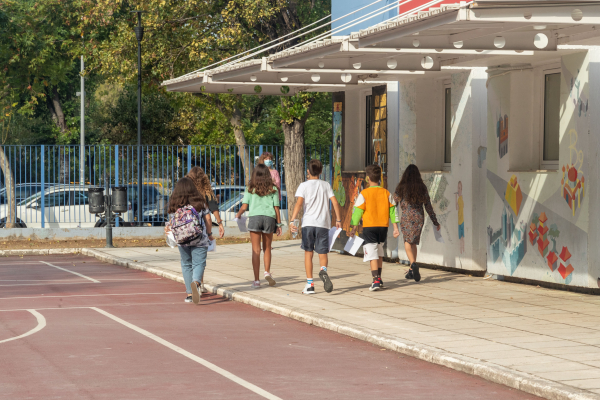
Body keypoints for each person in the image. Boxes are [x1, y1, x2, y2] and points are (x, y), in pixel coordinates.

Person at [290, 159, 342, 295]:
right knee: (322, 252)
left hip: (308, 223)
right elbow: (335, 203)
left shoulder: (303, 185)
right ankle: (323, 270)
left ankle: (310, 285)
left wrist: (292, 219)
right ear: (320, 171)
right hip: (323, 224)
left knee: (308, 253)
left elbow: (299, 204)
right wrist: (338, 219)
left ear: (308, 171)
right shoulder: (326, 185)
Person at [349, 165, 400, 291]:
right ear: (380, 178)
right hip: (383, 227)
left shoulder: (364, 193)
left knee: (372, 254)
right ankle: (380, 278)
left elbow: (357, 212)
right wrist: (395, 228)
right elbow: (393, 211)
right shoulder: (386, 193)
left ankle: (375, 280)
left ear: (367, 179)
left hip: (369, 227)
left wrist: (353, 228)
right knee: (379, 251)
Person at [166, 177, 214, 304]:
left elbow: (170, 223)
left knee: (186, 264)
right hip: (199, 238)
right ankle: (197, 282)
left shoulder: (174, 204)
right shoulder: (200, 203)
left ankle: (189, 294)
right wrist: (209, 234)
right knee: (199, 263)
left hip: (182, 239)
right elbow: (208, 219)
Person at [235, 164, 282, 289]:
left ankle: (256, 281)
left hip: (255, 218)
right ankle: (267, 272)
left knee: (256, 250)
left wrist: (238, 215)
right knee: (267, 248)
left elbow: (244, 206)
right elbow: (276, 208)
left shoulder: (250, 188)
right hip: (269, 218)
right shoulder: (273, 189)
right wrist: (279, 224)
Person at [394, 164, 441, 283]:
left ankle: (413, 264)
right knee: (413, 242)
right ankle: (411, 269)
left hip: (406, 217)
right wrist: (435, 221)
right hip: (419, 217)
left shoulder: (401, 187)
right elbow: (428, 206)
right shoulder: (422, 187)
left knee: (407, 242)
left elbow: (393, 203)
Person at [187, 166, 224, 294]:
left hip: (186, 228)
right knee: (200, 259)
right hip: (201, 228)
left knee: (188, 259)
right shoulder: (206, 192)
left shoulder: (187, 191)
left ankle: (193, 283)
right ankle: (199, 283)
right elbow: (213, 208)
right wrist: (219, 224)